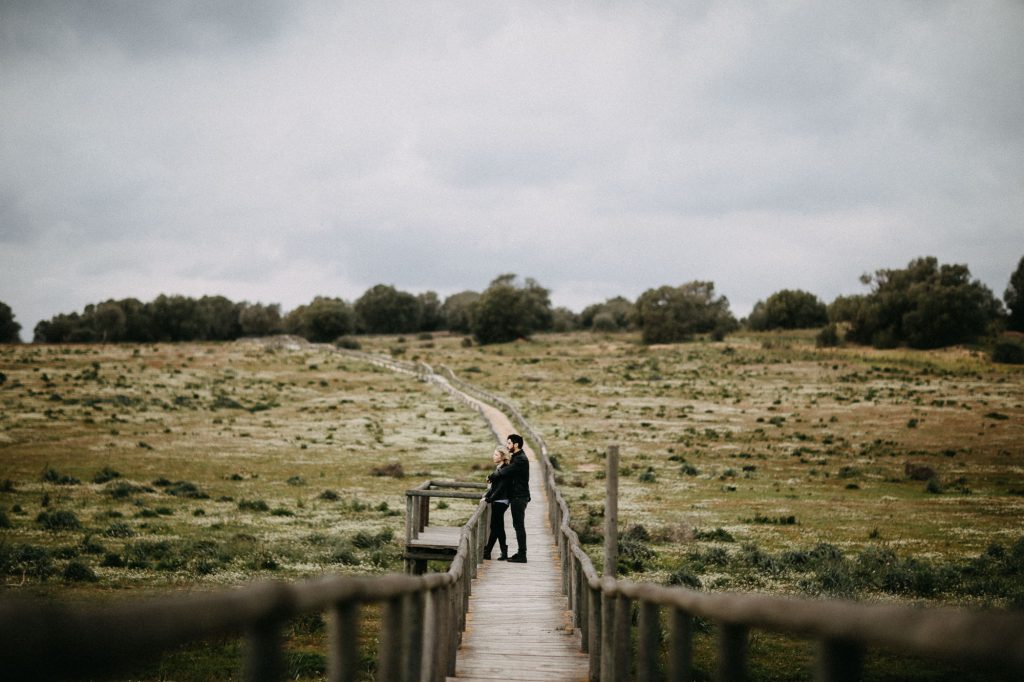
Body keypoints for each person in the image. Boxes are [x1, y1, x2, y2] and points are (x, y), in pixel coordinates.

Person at [487, 434, 530, 563]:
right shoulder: (516, 457)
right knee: (517, 525)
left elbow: (505, 471)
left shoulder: (521, 459)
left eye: (509, 443)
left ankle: (522, 555)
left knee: (519, 525)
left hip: (519, 496)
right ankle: (519, 552)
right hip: (516, 496)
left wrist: (491, 476)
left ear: (516, 445)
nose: (507, 445)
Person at [483, 446, 511, 561]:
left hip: (501, 501)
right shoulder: (499, 468)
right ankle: (497, 552)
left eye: (496, 455)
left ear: (502, 457)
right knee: (497, 527)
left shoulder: (505, 469)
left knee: (496, 527)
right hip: (499, 500)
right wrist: (486, 496)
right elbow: (494, 487)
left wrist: (489, 499)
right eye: (493, 454)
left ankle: (489, 551)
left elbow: (500, 488)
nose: (493, 456)